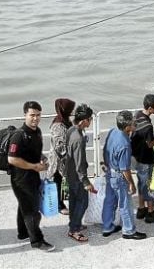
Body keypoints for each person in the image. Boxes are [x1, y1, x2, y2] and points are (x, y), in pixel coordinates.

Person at [8, 101, 55, 252]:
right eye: (32, 115)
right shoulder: (18, 136)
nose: (35, 118)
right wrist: (34, 166)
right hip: (21, 179)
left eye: (38, 115)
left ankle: (23, 233)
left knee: (25, 205)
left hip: (33, 176)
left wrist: (42, 158)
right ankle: (37, 241)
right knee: (32, 211)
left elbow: (34, 151)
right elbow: (12, 159)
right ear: (25, 115)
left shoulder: (38, 132)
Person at [102, 110, 146, 240]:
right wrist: (132, 184)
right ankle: (129, 231)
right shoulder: (124, 144)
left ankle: (107, 226)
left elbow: (105, 149)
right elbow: (125, 169)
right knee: (125, 203)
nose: (135, 124)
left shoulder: (112, 131)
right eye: (133, 123)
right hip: (119, 177)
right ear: (127, 127)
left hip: (110, 172)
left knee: (109, 201)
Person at [131, 94, 154, 224]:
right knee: (151, 185)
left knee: (141, 183)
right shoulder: (148, 126)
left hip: (137, 157)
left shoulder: (137, 115)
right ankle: (151, 212)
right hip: (146, 159)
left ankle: (141, 208)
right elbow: (150, 144)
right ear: (150, 108)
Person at [65, 103, 95, 242]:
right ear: (84, 121)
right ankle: (74, 230)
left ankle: (73, 223)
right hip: (77, 176)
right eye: (90, 119)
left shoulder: (70, 130)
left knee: (73, 201)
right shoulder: (78, 138)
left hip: (70, 173)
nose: (91, 122)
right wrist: (86, 182)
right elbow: (80, 163)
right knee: (83, 202)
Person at [46, 98, 75, 215]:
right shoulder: (58, 125)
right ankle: (59, 205)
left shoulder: (65, 121)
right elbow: (59, 146)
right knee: (59, 181)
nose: (72, 111)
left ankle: (62, 202)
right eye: (70, 109)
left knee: (64, 182)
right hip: (59, 161)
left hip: (65, 159)